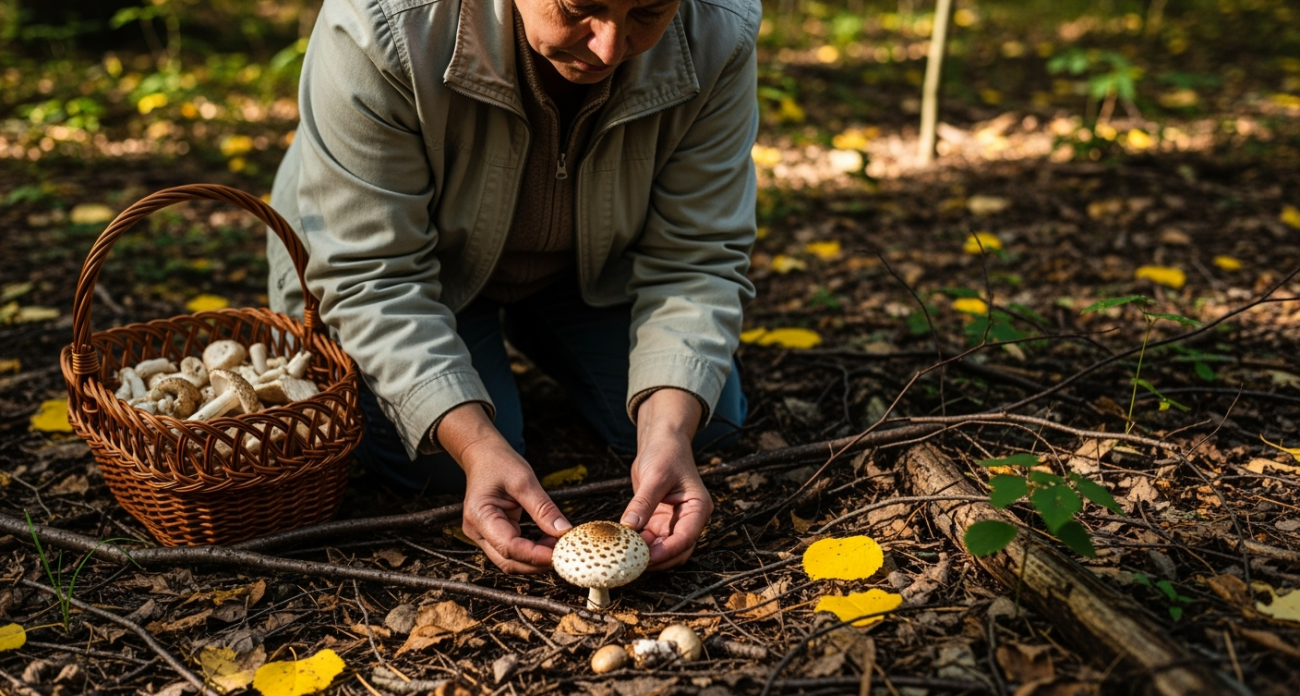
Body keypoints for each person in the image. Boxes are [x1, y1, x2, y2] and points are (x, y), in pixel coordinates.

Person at [265, 0, 760, 574]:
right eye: (581, 6)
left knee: (705, 421)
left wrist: (668, 428)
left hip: (584, 265)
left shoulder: (719, 27)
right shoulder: (381, 23)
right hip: (419, 275)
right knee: (442, 466)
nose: (608, 48)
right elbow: (372, 274)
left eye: (647, 13)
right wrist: (476, 443)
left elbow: (697, 255)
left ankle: (534, 324)